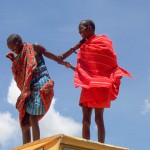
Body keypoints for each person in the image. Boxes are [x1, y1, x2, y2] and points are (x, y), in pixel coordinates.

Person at [59, 20, 133, 143]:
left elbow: (108, 62)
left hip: (101, 85)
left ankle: (100, 146)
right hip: (88, 86)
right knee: (85, 120)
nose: (79, 33)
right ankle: (86, 146)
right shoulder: (83, 46)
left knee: (99, 119)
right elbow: (86, 69)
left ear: (89, 28)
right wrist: (70, 66)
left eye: (81, 29)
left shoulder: (103, 41)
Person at [6, 34, 70, 144]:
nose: (13, 50)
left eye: (13, 48)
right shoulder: (20, 58)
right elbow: (21, 73)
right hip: (30, 88)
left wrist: (63, 61)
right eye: (11, 49)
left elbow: (54, 57)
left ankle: (36, 145)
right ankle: (27, 147)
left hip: (42, 83)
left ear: (19, 42)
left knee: (32, 117)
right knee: (24, 122)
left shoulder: (34, 48)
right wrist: (14, 62)